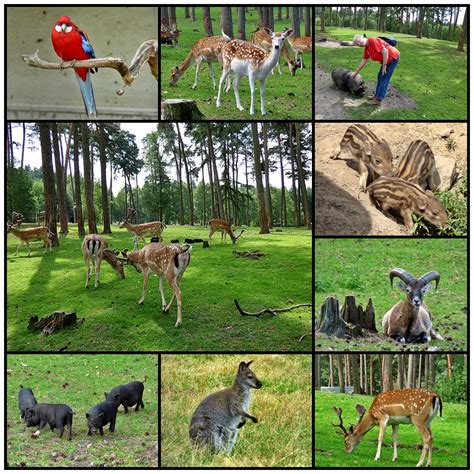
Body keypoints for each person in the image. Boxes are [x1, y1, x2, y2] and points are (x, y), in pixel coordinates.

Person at [351, 35, 400, 105]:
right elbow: (364, 61)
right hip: (386, 60)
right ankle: (376, 96)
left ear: (363, 38)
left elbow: (385, 51)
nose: (359, 44)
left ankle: (379, 99)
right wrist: (356, 72)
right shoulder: (367, 49)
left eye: (359, 41)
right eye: (357, 44)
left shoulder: (372, 40)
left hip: (393, 58)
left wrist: (384, 66)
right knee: (380, 77)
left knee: (384, 78)